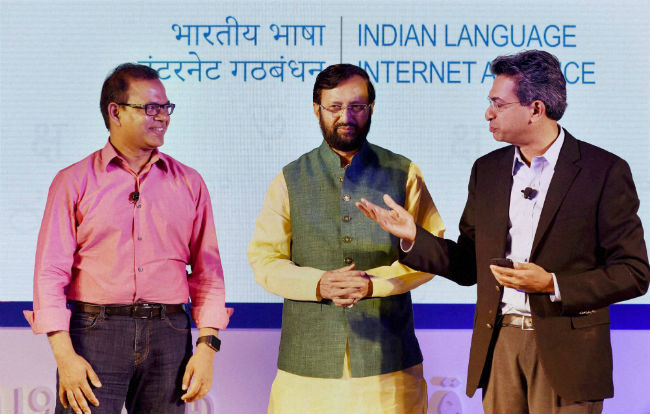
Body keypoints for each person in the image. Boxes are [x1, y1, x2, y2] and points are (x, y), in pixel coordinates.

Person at [357, 50, 649, 414]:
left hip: (569, 355)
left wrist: (553, 284)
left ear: (535, 109)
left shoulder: (602, 171)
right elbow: (468, 265)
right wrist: (413, 236)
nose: (488, 113)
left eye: (498, 103)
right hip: (499, 346)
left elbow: (634, 273)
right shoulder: (488, 171)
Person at [24, 63, 231, 414]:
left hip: (169, 332)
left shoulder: (189, 182)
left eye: (166, 107)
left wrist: (207, 348)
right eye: (150, 107)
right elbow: (49, 273)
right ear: (115, 112)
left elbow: (208, 273)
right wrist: (64, 356)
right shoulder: (73, 181)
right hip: (95, 332)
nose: (162, 116)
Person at [248, 63, 445, 414]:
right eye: (335, 107)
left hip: (389, 365)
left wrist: (373, 285)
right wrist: (318, 283)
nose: (346, 117)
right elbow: (265, 260)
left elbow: (432, 254)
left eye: (357, 107)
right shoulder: (289, 178)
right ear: (317, 109)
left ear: (371, 108)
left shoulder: (404, 173)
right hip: (305, 370)